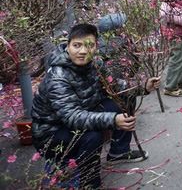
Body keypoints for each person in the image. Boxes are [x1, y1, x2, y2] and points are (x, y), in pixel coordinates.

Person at [31, 24, 161, 189]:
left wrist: (143, 86)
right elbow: (72, 117)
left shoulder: (95, 64)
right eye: (77, 45)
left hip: (83, 112)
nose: (83, 51)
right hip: (52, 133)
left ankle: (118, 152)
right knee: (92, 137)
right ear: (68, 46)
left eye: (89, 45)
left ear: (96, 46)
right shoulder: (58, 78)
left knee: (124, 98)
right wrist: (113, 120)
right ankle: (90, 183)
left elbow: (115, 87)